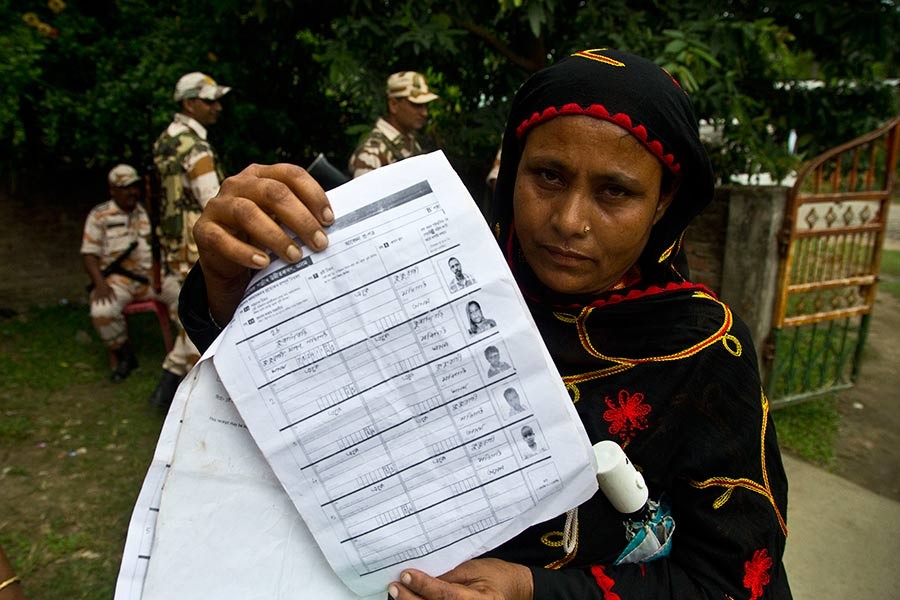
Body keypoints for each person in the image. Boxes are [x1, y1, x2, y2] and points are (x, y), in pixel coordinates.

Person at [179, 47, 791, 599]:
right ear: (513, 169)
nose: (569, 221)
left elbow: (729, 582)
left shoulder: (704, 353)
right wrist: (229, 283)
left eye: (615, 193)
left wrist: (534, 592)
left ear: (663, 202)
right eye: (548, 176)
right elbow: (301, 391)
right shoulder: (432, 279)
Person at [148, 71, 230, 408]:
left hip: (171, 242)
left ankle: (167, 395)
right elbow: (212, 200)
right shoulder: (195, 147)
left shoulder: (165, 142)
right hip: (196, 244)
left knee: (188, 319)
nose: (217, 107)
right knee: (197, 319)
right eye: (209, 101)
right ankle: (173, 395)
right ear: (189, 103)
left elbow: (157, 199)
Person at [81, 164, 178, 381]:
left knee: (186, 300)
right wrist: (100, 284)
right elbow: (89, 255)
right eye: (125, 188)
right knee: (101, 312)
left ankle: (189, 352)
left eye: (134, 187)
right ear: (113, 189)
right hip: (118, 281)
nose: (131, 192)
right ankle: (124, 354)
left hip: (152, 278)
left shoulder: (147, 212)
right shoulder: (100, 216)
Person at [347, 71, 439, 178]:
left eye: (425, 105)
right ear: (393, 105)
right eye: (416, 105)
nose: (424, 113)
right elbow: (364, 193)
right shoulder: (373, 153)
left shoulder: (410, 142)